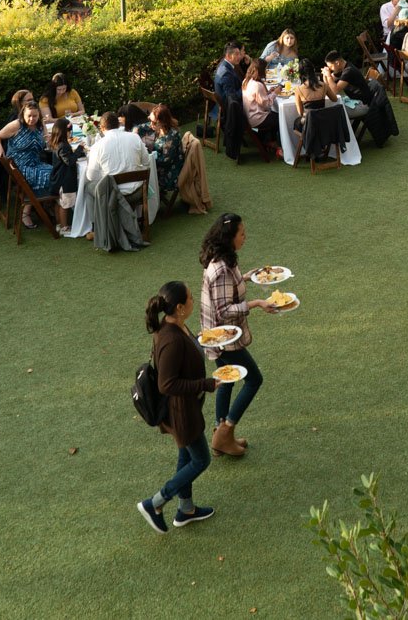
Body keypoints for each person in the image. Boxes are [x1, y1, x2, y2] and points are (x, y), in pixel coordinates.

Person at [137, 281, 218, 533]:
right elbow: (166, 384)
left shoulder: (176, 326)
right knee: (201, 459)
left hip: (186, 408)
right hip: (182, 412)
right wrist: (204, 384)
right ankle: (156, 502)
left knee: (185, 455)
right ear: (180, 307)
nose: (194, 300)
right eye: (191, 298)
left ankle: (186, 509)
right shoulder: (171, 339)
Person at [199, 213, 279, 458]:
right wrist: (256, 303)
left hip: (215, 337)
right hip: (225, 339)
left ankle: (219, 432)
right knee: (254, 379)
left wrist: (245, 278)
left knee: (227, 380)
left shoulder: (221, 259)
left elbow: (222, 293)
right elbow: (224, 311)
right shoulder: (222, 268)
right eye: (241, 234)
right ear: (229, 237)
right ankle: (225, 432)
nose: (245, 237)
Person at [0, 99, 54, 230]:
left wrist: (48, 140)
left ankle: (47, 205)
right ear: (23, 115)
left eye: (35, 116)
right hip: (19, 167)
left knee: (56, 172)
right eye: (29, 116)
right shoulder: (16, 125)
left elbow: (46, 143)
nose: (32, 119)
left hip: (36, 163)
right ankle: (30, 211)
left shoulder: (41, 125)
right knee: (51, 176)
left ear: (39, 115)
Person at [324, 51, 399, 147]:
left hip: (363, 104)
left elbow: (335, 90)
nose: (330, 69)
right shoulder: (342, 69)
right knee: (334, 107)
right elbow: (328, 84)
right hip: (358, 100)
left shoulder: (349, 71)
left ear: (337, 63)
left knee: (335, 111)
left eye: (330, 66)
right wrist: (326, 75)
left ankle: (342, 142)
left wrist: (328, 75)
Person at [85, 110, 150, 196]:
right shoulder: (135, 137)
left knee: (87, 188)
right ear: (118, 124)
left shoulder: (97, 146)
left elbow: (91, 176)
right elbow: (147, 163)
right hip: (137, 190)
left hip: (113, 194)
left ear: (102, 127)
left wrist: (105, 175)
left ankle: (103, 209)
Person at [48, 115, 85, 236]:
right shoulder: (63, 146)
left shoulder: (56, 144)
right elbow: (69, 161)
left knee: (59, 203)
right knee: (65, 205)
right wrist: (79, 149)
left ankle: (59, 224)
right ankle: (64, 227)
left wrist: (75, 153)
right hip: (65, 180)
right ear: (64, 132)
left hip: (59, 179)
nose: (71, 133)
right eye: (69, 131)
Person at [292, 59, 335, 159]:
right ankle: (317, 147)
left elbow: (300, 112)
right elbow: (334, 99)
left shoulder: (299, 89)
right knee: (311, 124)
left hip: (310, 122)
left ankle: (311, 148)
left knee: (297, 124)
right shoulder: (324, 85)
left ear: (301, 73)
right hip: (323, 121)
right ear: (313, 70)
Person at [214, 41, 249, 161]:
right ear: (229, 56)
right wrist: (244, 87)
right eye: (237, 54)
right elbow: (231, 97)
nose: (240, 56)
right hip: (231, 110)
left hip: (228, 106)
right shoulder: (225, 72)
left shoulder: (226, 65)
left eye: (240, 53)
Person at [240, 58, 282, 149]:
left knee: (275, 115)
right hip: (257, 118)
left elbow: (259, 99)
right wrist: (275, 93)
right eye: (265, 69)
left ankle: (268, 139)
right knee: (280, 117)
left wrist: (269, 93)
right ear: (260, 70)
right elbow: (266, 104)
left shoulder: (246, 81)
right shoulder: (257, 85)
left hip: (249, 116)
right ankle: (273, 142)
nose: (266, 71)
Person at [151, 105, 185, 195]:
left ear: (162, 121)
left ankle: (151, 205)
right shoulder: (161, 130)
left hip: (170, 173)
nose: (151, 124)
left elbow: (165, 161)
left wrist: (149, 159)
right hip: (163, 167)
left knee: (145, 177)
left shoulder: (171, 137)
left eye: (153, 122)